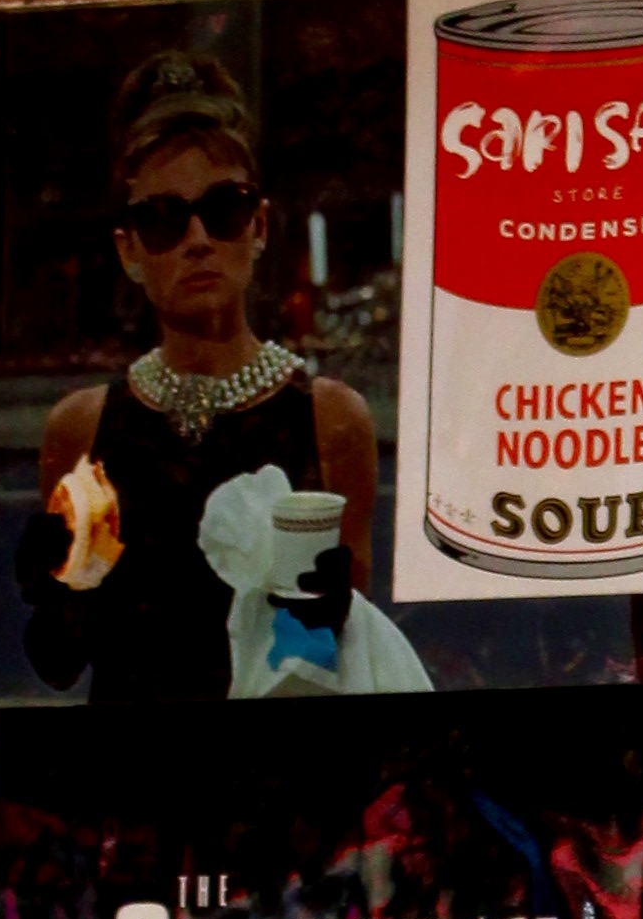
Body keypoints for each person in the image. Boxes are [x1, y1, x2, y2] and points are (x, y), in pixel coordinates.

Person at [19, 47, 378, 709]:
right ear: (128, 249)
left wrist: (324, 612)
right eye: (163, 218)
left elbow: (336, 659)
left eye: (224, 209)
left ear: (259, 226)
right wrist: (57, 592)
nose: (197, 240)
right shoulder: (80, 428)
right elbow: (63, 663)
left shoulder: (333, 420)